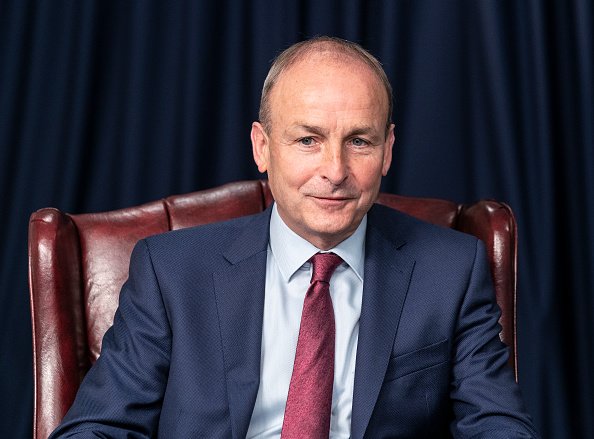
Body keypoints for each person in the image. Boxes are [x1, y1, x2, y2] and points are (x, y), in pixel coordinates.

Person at [50, 36, 538, 438]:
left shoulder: (451, 270)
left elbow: (498, 424)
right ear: (262, 147)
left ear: (388, 151)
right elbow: (98, 428)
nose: (335, 171)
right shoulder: (171, 271)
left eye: (359, 142)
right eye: (308, 139)